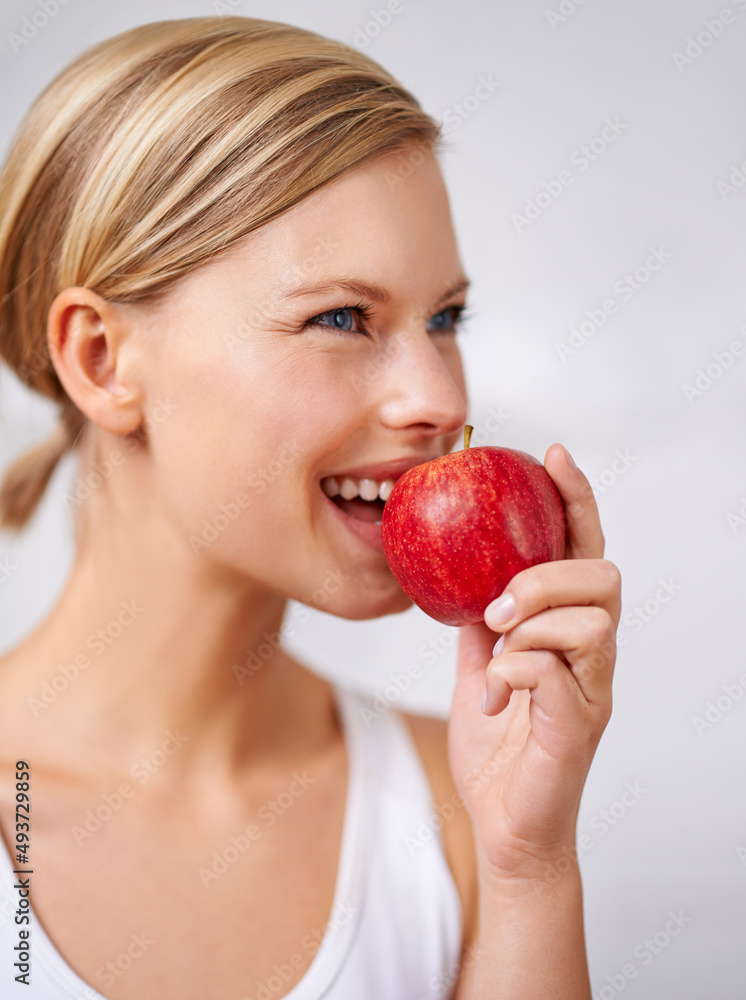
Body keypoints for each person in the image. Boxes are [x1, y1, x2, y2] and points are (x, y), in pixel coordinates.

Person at [0, 15, 621, 1000]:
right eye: (340, 317)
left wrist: (527, 872)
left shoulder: (468, 813)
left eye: (443, 319)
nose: (441, 399)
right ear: (101, 359)